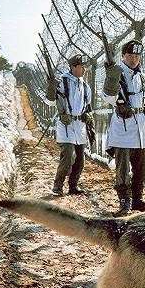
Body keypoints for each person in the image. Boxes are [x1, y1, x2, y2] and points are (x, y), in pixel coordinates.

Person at [102, 39, 145, 216]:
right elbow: (107, 97)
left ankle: (137, 199)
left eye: (137, 56)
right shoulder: (116, 73)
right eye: (130, 56)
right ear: (123, 56)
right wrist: (112, 80)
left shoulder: (143, 77)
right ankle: (124, 202)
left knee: (142, 170)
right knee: (123, 171)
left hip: (141, 130)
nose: (134, 59)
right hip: (123, 130)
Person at [46, 54, 93, 196]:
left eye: (85, 67)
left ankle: (73, 186)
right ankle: (58, 185)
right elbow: (50, 102)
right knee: (68, 156)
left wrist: (88, 115)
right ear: (73, 67)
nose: (84, 70)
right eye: (81, 67)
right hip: (66, 125)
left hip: (80, 126)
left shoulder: (85, 86)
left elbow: (88, 106)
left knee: (80, 159)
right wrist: (51, 88)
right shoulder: (61, 82)